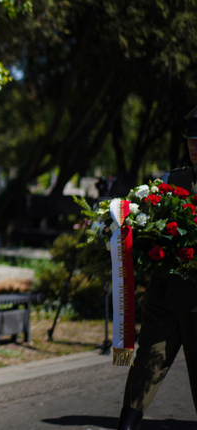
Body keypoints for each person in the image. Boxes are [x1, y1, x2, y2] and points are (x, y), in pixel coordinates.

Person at [117, 108, 197, 430]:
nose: (194, 146)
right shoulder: (171, 180)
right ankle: (126, 425)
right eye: (191, 139)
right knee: (145, 368)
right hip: (165, 297)